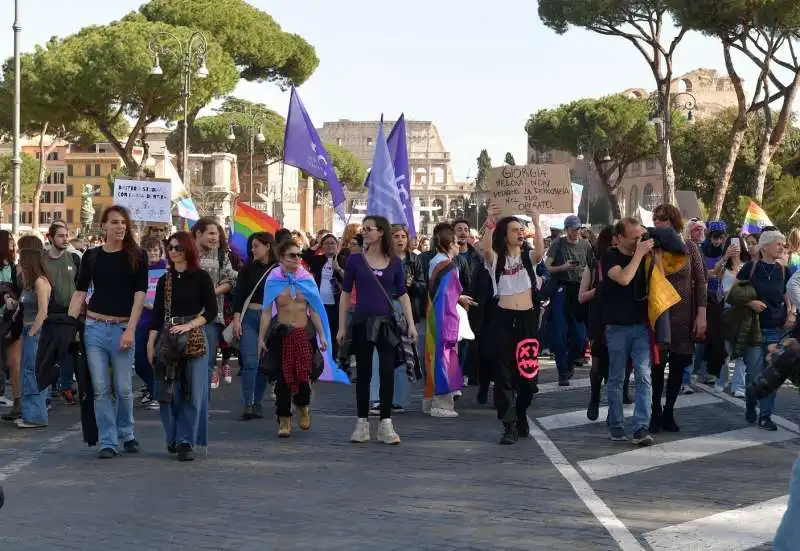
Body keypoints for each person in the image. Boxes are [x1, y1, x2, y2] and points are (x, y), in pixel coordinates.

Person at [68, 205, 148, 459]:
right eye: (114, 222)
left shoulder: (137, 256)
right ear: (103, 226)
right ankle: (108, 440)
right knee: (101, 388)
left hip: (123, 327)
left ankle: (127, 433)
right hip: (94, 328)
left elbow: (140, 295)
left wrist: (131, 330)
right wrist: (70, 326)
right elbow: (80, 292)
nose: (120, 227)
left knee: (124, 389)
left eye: (123, 222)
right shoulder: (91, 256)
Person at [337, 215, 417, 445]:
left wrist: (410, 324)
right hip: (362, 321)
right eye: (363, 229)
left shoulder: (394, 262)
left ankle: (386, 424)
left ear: (381, 232)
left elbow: (402, 295)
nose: (365, 232)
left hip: (386, 323)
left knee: (387, 372)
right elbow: (345, 295)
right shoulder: (355, 260)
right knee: (363, 374)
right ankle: (361, 423)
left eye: (369, 229)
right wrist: (342, 327)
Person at [258, 239, 340, 438]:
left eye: (299, 255)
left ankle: (303, 407)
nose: (297, 259)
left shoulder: (307, 279)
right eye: (292, 255)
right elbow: (267, 312)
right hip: (282, 335)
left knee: (304, 376)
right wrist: (261, 338)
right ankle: (284, 418)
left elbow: (315, 309)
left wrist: (322, 335)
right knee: (282, 379)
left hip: (304, 334)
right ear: (281, 258)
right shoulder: (273, 280)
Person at [147, 232, 216, 461]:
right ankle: (173, 438)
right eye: (171, 247)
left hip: (194, 336)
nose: (173, 251)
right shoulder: (165, 280)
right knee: (167, 392)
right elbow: (156, 314)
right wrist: (150, 342)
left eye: (178, 247)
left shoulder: (201, 277)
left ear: (188, 249)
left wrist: (190, 325)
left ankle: (186, 441)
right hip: (168, 338)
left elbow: (212, 310)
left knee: (193, 393)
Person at [479, 202, 544, 444]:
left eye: (521, 229)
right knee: (504, 375)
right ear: (504, 235)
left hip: (526, 321)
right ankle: (508, 425)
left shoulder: (529, 258)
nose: (519, 232)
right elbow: (486, 250)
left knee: (528, 379)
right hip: (503, 320)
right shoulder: (496, 259)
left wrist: (536, 222)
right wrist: (489, 223)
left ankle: (520, 412)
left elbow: (540, 250)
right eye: (514, 229)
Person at [600, 218, 654, 446]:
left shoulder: (645, 254)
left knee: (643, 376)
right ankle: (616, 424)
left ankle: (642, 427)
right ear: (619, 237)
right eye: (633, 237)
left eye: (640, 236)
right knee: (616, 377)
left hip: (641, 325)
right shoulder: (609, 256)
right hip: (617, 327)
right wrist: (639, 255)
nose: (637, 241)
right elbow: (623, 278)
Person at [738, 230, 794, 431]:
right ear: (765, 246)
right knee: (754, 372)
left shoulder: (783, 271)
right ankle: (751, 403)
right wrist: (750, 302)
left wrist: (791, 313)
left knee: (773, 374)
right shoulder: (750, 269)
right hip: (753, 329)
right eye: (778, 243)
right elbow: (733, 294)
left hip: (776, 330)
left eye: (783, 244)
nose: (782, 247)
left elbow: (790, 296)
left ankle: (765, 416)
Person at [424, 223, 472, 418]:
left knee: (434, 356)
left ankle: (430, 400)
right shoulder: (448, 265)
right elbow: (446, 294)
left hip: (435, 313)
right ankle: (442, 403)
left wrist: (459, 297)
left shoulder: (437, 261)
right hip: (445, 315)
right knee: (444, 357)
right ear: (449, 243)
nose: (459, 244)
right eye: (455, 241)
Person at [231, 232, 278, 420]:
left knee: (264, 364)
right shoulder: (247, 269)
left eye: (256, 245)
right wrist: (236, 319)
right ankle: (248, 403)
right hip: (249, 317)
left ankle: (257, 402)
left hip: (272, 320)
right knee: (250, 362)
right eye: (252, 246)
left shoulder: (279, 269)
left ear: (268, 246)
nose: (252, 249)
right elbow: (239, 295)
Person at [546, 214, 594, 386]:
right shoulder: (558, 243)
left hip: (579, 289)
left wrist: (586, 274)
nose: (576, 232)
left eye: (579, 229)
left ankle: (568, 363)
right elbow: (546, 267)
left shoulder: (586, 245)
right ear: (567, 229)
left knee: (580, 336)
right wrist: (563, 267)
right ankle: (562, 371)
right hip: (561, 289)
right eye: (573, 229)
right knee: (559, 333)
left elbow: (592, 265)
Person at [13, 238, 52, 428]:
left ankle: (35, 415)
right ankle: (31, 413)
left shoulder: (40, 282)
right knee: (27, 373)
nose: (19, 265)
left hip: (35, 331)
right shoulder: (29, 283)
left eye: (21, 262)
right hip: (28, 329)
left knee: (31, 372)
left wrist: (33, 332)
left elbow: (43, 311)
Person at [43, 222, 82, 406]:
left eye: (66, 235)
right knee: (48, 353)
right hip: (49, 313)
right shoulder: (42, 260)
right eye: (60, 236)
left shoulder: (74, 259)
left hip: (70, 313)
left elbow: (81, 287)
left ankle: (66, 387)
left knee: (68, 352)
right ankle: (47, 393)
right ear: (50, 238)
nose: (65, 239)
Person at [134, 237, 167, 409]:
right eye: (149, 250)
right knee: (139, 359)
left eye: (155, 249)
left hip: (161, 318)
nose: (152, 253)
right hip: (142, 318)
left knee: (157, 358)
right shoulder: (138, 268)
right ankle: (151, 385)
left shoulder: (167, 267)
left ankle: (157, 393)